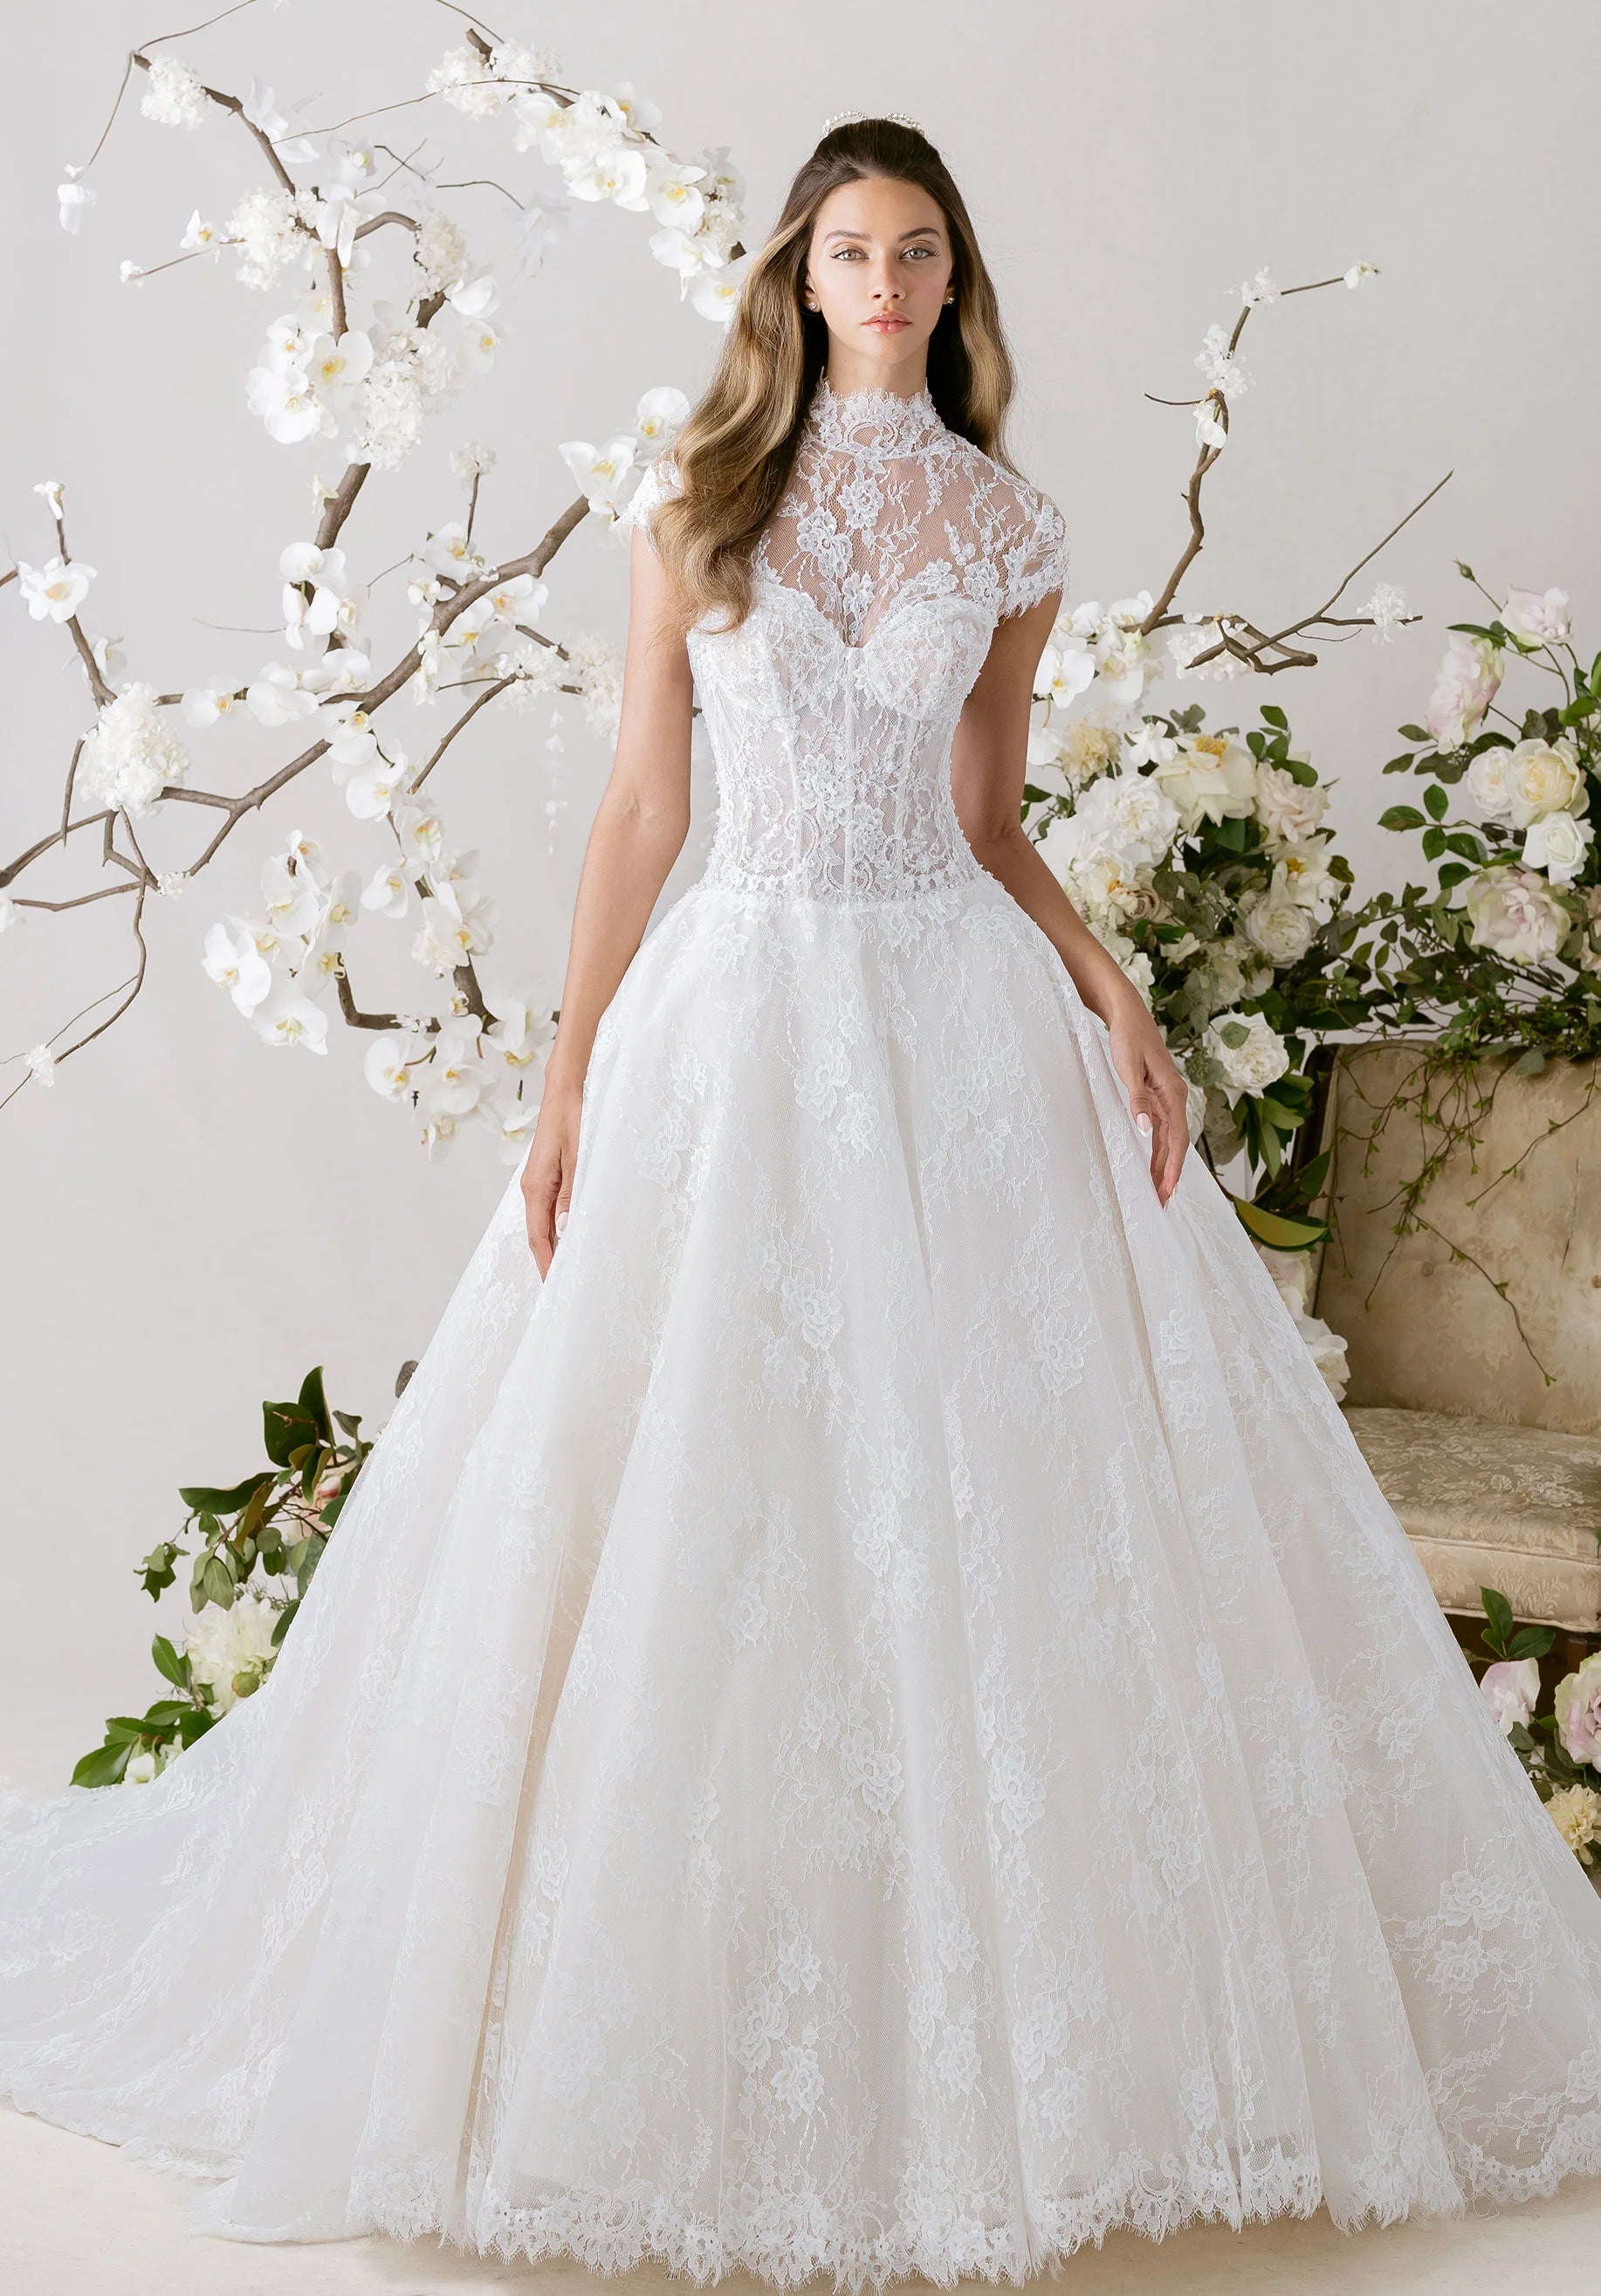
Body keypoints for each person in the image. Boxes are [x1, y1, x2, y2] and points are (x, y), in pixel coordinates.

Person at [4, 113, 1601, 2289]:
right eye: (849, 247)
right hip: (734, 1015)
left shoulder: (1010, 522)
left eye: (917, 249)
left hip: (953, 1023)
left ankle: (1005, 2034)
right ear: (792, 276)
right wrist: (563, 1072)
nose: (882, 280)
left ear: (952, 288)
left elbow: (988, 813)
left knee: (973, 1507)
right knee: (699, 1492)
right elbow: (642, 801)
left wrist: (1112, 1001)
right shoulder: (695, 503)